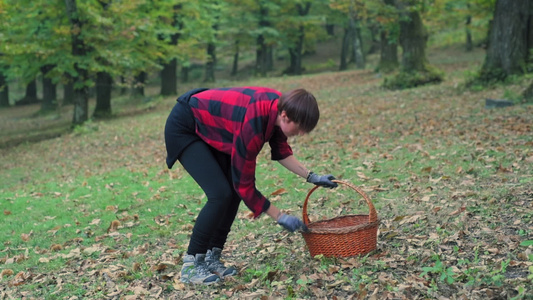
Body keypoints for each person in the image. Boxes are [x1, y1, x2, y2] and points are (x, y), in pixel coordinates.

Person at [164, 87, 337, 285]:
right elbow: (245, 185)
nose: (303, 133)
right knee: (220, 194)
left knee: (231, 194)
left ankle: (212, 257)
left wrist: (312, 177)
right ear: (285, 116)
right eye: (300, 128)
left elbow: (281, 150)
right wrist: (279, 216)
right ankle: (191, 265)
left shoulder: (279, 109)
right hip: (185, 126)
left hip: (215, 128)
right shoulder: (253, 125)